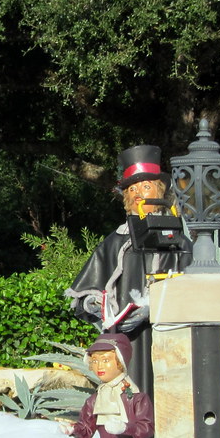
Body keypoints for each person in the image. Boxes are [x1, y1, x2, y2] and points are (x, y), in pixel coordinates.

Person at [65, 144, 189, 405]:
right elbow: (85, 294)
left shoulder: (180, 240)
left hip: (173, 340)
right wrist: (99, 305)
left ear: (160, 191)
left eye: (145, 186)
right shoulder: (115, 242)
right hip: (127, 343)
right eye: (132, 189)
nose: (138, 195)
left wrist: (154, 309)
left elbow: (194, 288)